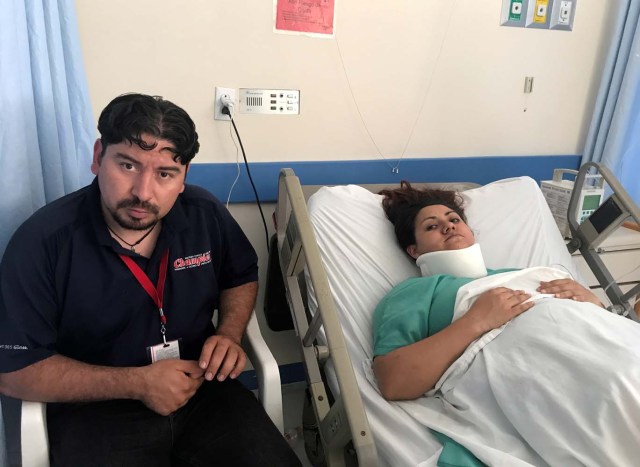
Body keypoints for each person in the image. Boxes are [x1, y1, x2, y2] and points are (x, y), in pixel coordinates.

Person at [0, 93, 301, 467]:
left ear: (184, 177)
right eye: (127, 165)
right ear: (98, 156)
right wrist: (139, 383)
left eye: (164, 173)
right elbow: (14, 372)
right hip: (96, 409)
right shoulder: (44, 241)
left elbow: (239, 275)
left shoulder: (203, 214)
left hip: (201, 392)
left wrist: (228, 332)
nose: (143, 192)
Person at [372, 181, 640, 466]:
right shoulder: (414, 293)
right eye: (431, 226)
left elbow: (597, 325)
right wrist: (476, 320)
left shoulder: (523, 273)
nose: (448, 226)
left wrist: (593, 304)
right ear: (414, 250)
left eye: (454, 219)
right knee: (618, 388)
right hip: (561, 370)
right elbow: (394, 380)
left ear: (470, 232)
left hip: (610, 342)